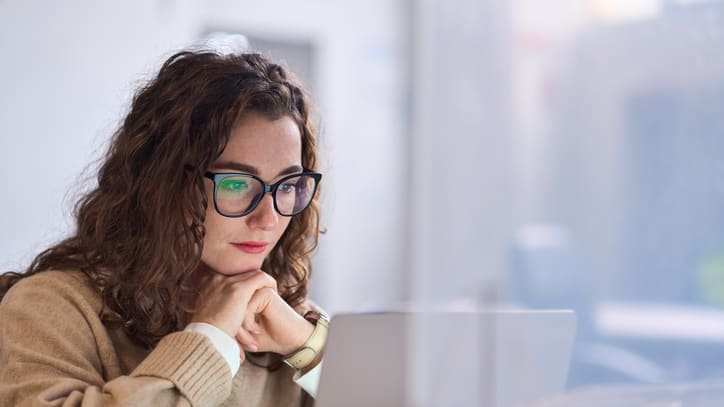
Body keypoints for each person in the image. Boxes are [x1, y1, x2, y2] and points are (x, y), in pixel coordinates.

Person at [0, 48, 328, 406]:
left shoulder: (283, 316)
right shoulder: (47, 308)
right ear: (164, 184)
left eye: (287, 186)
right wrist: (209, 339)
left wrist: (310, 348)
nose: (268, 219)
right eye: (236, 184)